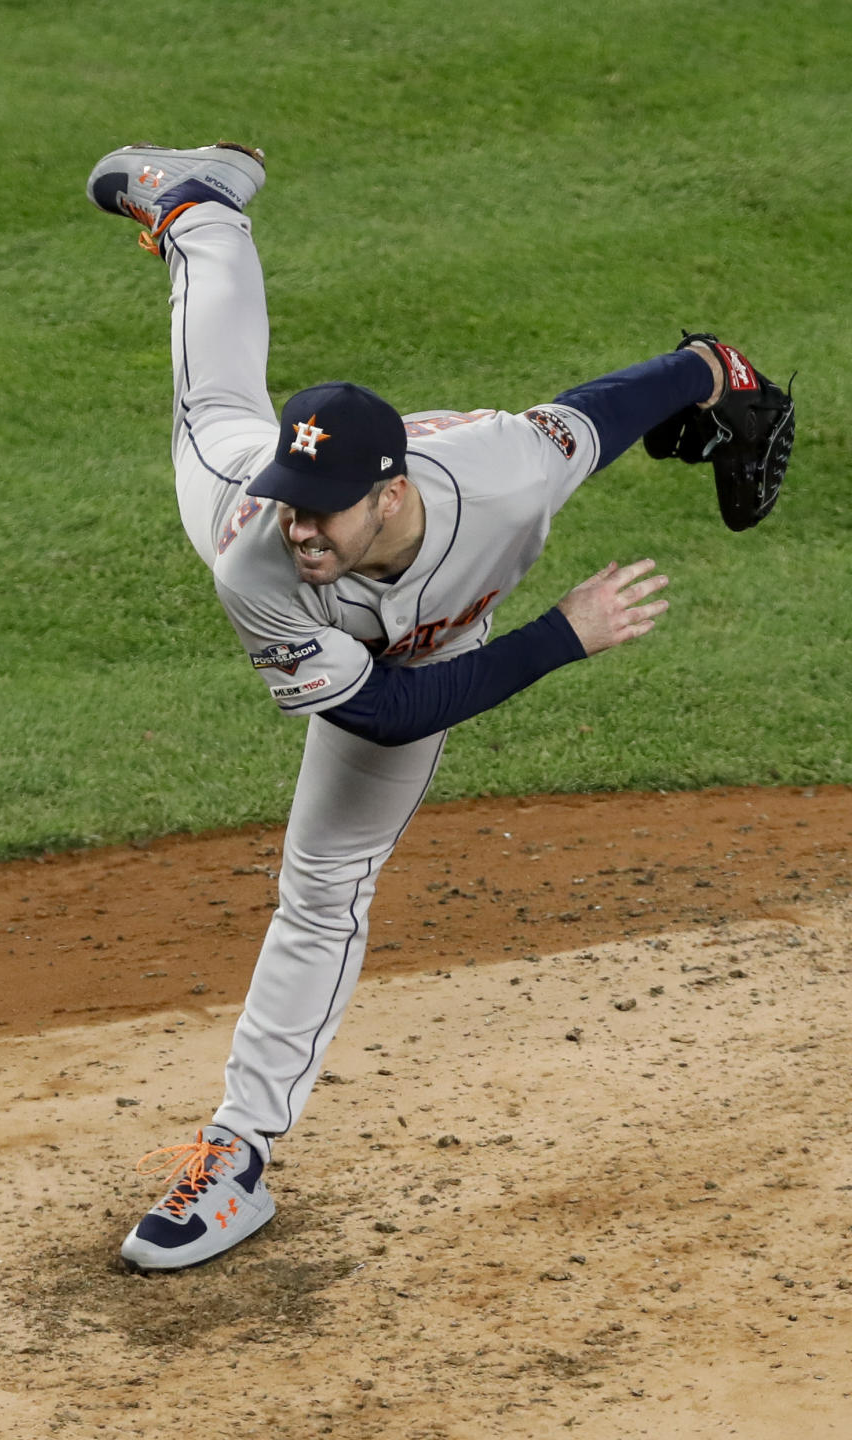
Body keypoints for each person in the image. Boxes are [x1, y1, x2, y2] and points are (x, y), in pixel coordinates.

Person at [86, 140, 732, 1272]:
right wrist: (560, 640)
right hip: (371, 658)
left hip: (443, 633)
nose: (304, 529)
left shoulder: (505, 472)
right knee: (215, 411)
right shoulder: (263, 551)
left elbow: (598, 415)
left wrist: (715, 369)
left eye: (325, 513)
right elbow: (378, 714)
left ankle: (236, 1152)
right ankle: (196, 207)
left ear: (389, 495)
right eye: (300, 506)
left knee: (328, 882)